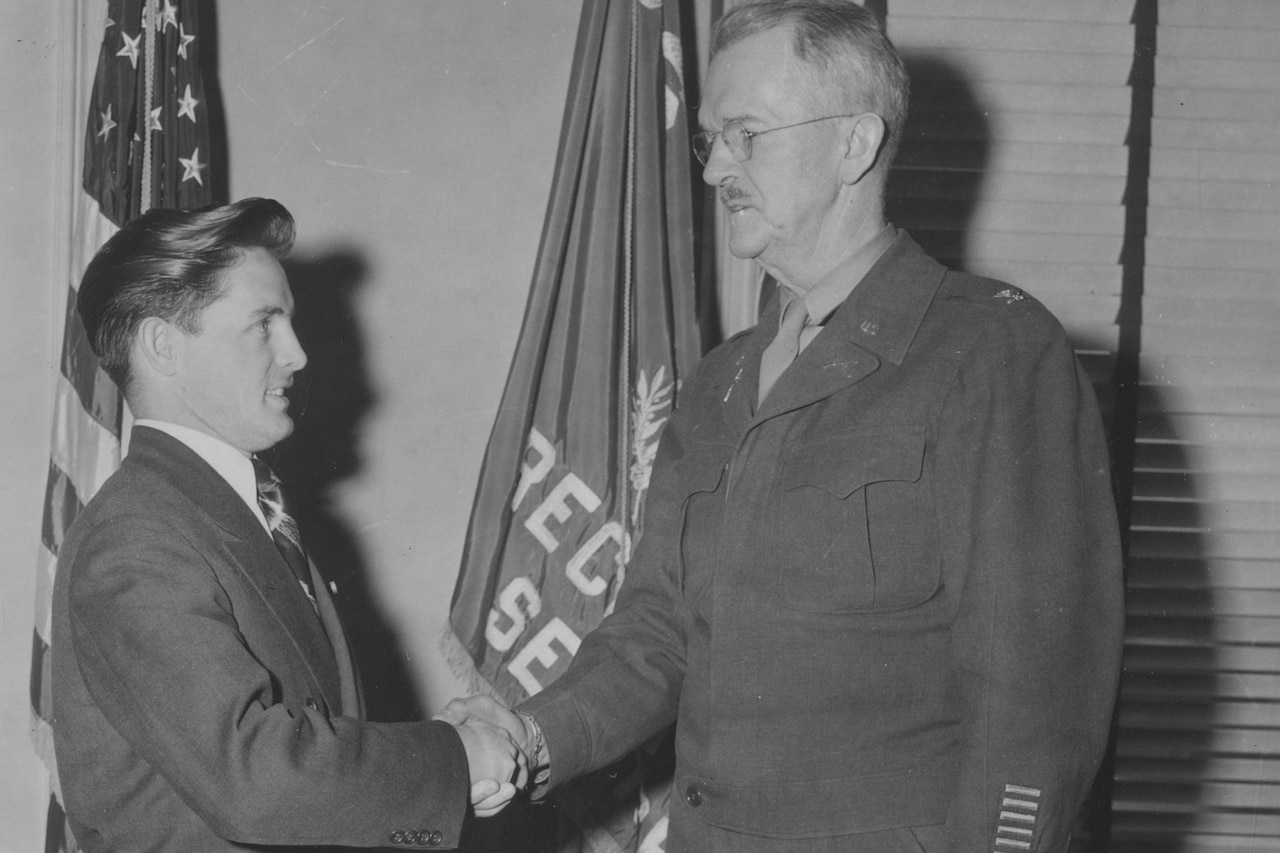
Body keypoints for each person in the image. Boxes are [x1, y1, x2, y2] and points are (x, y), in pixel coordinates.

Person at [443, 1, 1125, 850]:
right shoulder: (718, 382)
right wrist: (529, 735)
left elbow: (1036, 700)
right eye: (709, 139)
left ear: (854, 144)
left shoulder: (988, 351)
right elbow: (659, 631)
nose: (713, 168)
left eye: (746, 134)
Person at [51, 198, 525, 852]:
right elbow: (258, 780)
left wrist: (438, 761)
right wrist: (452, 757)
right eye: (264, 323)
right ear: (163, 346)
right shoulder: (137, 538)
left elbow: (317, 737)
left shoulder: (234, 511)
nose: (297, 353)